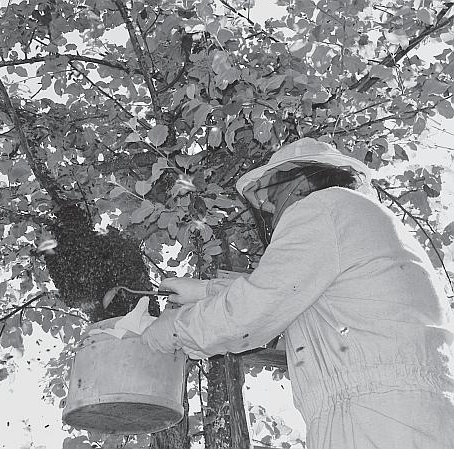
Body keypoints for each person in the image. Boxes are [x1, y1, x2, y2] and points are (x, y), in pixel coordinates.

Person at [141, 137, 454, 449]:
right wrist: (207, 291)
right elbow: (299, 299)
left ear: (302, 182)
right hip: (411, 413)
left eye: (275, 198)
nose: (272, 210)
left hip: (374, 417)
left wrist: (175, 330)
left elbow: (257, 308)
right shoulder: (357, 216)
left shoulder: (319, 208)